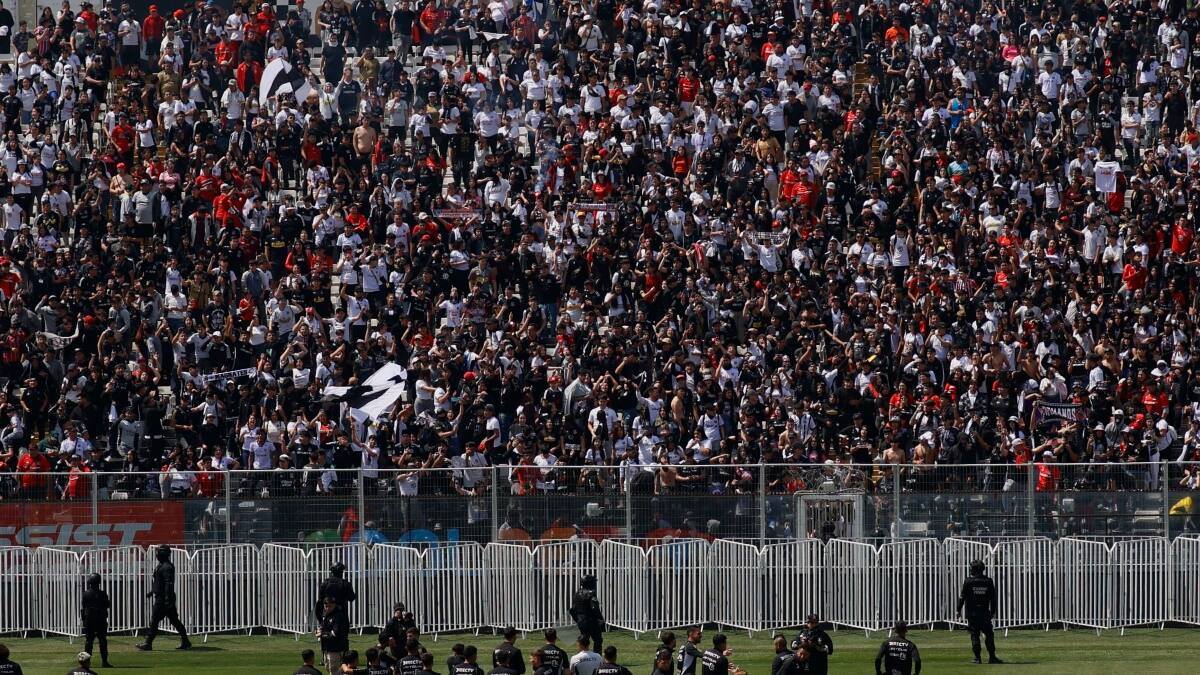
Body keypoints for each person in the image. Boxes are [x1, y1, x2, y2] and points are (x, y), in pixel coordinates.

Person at [135, 545, 190, 651]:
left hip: (164, 599)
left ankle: (148, 643)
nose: (157, 555)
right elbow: (159, 582)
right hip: (163, 597)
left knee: (155, 620)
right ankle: (186, 641)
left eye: (158, 553)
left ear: (163, 554)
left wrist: (166, 599)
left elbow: (168, 584)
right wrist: (153, 592)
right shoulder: (162, 566)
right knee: (174, 621)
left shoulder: (166, 567)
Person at [958, 560, 1002, 664]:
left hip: (972, 614)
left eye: (971, 568)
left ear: (975, 569)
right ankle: (992, 657)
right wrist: (992, 612)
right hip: (985, 613)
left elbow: (962, 597)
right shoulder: (988, 581)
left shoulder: (968, 581)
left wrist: (958, 610)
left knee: (974, 635)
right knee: (989, 634)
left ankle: (977, 658)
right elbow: (993, 599)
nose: (970, 570)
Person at [80, 574, 112, 668]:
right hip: (100, 620)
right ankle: (104, 662)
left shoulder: (86, 593)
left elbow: (84, 607)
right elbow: (107, 605)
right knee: (103, 641)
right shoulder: (103, 593)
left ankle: (86, 663)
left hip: (89, 620)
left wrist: (84, 620)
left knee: (89, 642)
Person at [570, 575, 605, 655]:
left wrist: (578, 620)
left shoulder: (577, 593)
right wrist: (600, 619)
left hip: (581, 621)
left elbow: (573, 609)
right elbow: (594, 608)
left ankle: (581, 656)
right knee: (598, 640)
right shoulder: (591, 594)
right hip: (591, 621)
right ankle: (597, 657)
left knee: (584, 640)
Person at [317, 596, 351, 674]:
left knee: (334, 670)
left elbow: (335, 633)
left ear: (334, 605)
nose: (328, 608)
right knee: (327, 667)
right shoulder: (325, 615)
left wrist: (322, 634)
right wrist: (318, 631)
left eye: (330, 606)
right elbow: (323, 627)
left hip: (336, 648)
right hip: (326, 648)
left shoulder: (338, 615)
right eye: (326, 606)